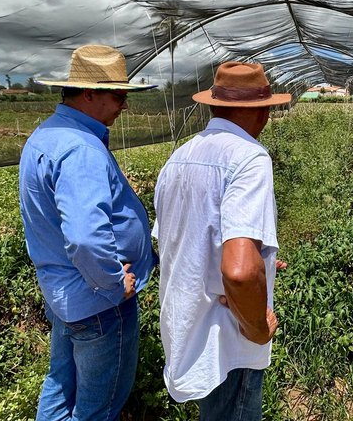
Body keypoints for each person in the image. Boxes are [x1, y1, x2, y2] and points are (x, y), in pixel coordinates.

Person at [18, 44, 158, 420]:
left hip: (64, 292)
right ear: (89, 93)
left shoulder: (47, 135)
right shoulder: (81, 148)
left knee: (61, 385)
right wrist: (113, 282)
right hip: (98, 303)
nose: (124, 105)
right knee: (97, 408)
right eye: (118, 96)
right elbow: (84, 237)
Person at [154, 62, 290, 420]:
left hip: (188, 326)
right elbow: (239, 272)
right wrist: (257, 329)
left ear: (214, 106)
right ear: (261, 112)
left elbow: (177, 240)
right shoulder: (249, 158)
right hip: (229, 337)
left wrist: (262, 260)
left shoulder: (179, 158)